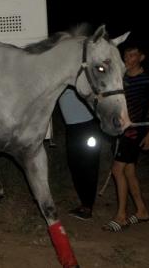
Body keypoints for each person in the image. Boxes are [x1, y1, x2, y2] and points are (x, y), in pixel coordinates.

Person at [103, 43, 149, 232]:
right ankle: (142, 210)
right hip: (121, 129)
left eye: (132, 56)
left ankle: (121, 216)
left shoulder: (147, 80)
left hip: (135, 131)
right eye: (126, 56)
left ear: (141, 57)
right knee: (128, 171)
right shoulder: (122, 76)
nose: (128, 60)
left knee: (117, 170)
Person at [57, 87, 104, 220]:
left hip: (88, 125)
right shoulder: (63, 77)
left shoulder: (82, 78)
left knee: (89, 165)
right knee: (75, 165)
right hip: (72, 128)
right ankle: (84, 203)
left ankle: (88, 206)